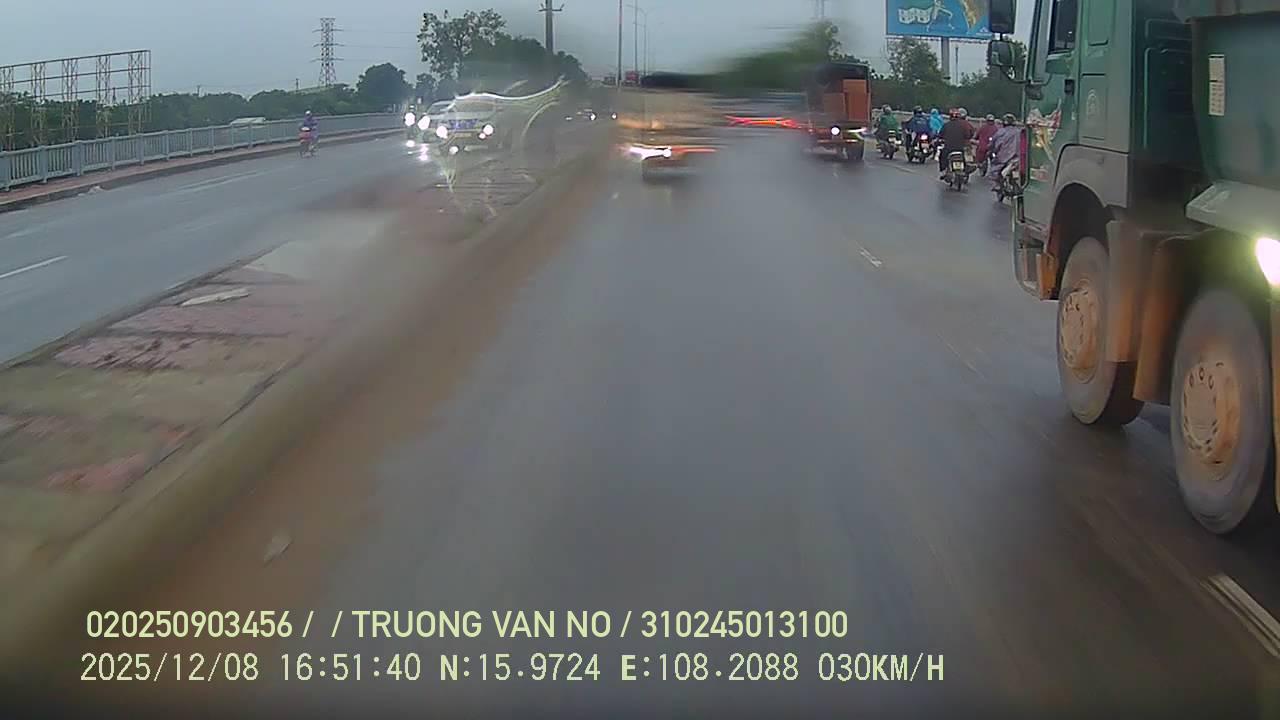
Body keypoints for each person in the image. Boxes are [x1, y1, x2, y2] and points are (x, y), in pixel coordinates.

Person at [938, 108, 975, 178]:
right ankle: (965, 167)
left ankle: (943, 171)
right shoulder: (963, 126)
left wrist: (939, 140)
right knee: (965, 156)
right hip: (960, 148)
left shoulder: (946, 125)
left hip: (949, 148)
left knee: (942, 156)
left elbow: (940, 135)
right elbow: (968, 135)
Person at [987, 113, 1021, 183]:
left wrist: (991, 150)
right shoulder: (1019, 132)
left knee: (994, 170)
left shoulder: (1000, 132)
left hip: (1003, 158)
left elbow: (993, 144)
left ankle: (998, 184)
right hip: (1017, 158)